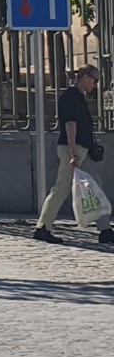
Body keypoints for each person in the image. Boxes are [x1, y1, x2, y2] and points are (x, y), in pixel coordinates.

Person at [33, 65, 113, 245]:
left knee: (95, 185)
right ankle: (42, 227)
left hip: (81, 149)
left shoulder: (77, 96)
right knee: (61, 188)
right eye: (95, 80)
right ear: (85, 77)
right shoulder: (71, 97)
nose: (95, 85)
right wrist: (72, 153)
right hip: (74, 149)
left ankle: (105, 229)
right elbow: (70, 125)